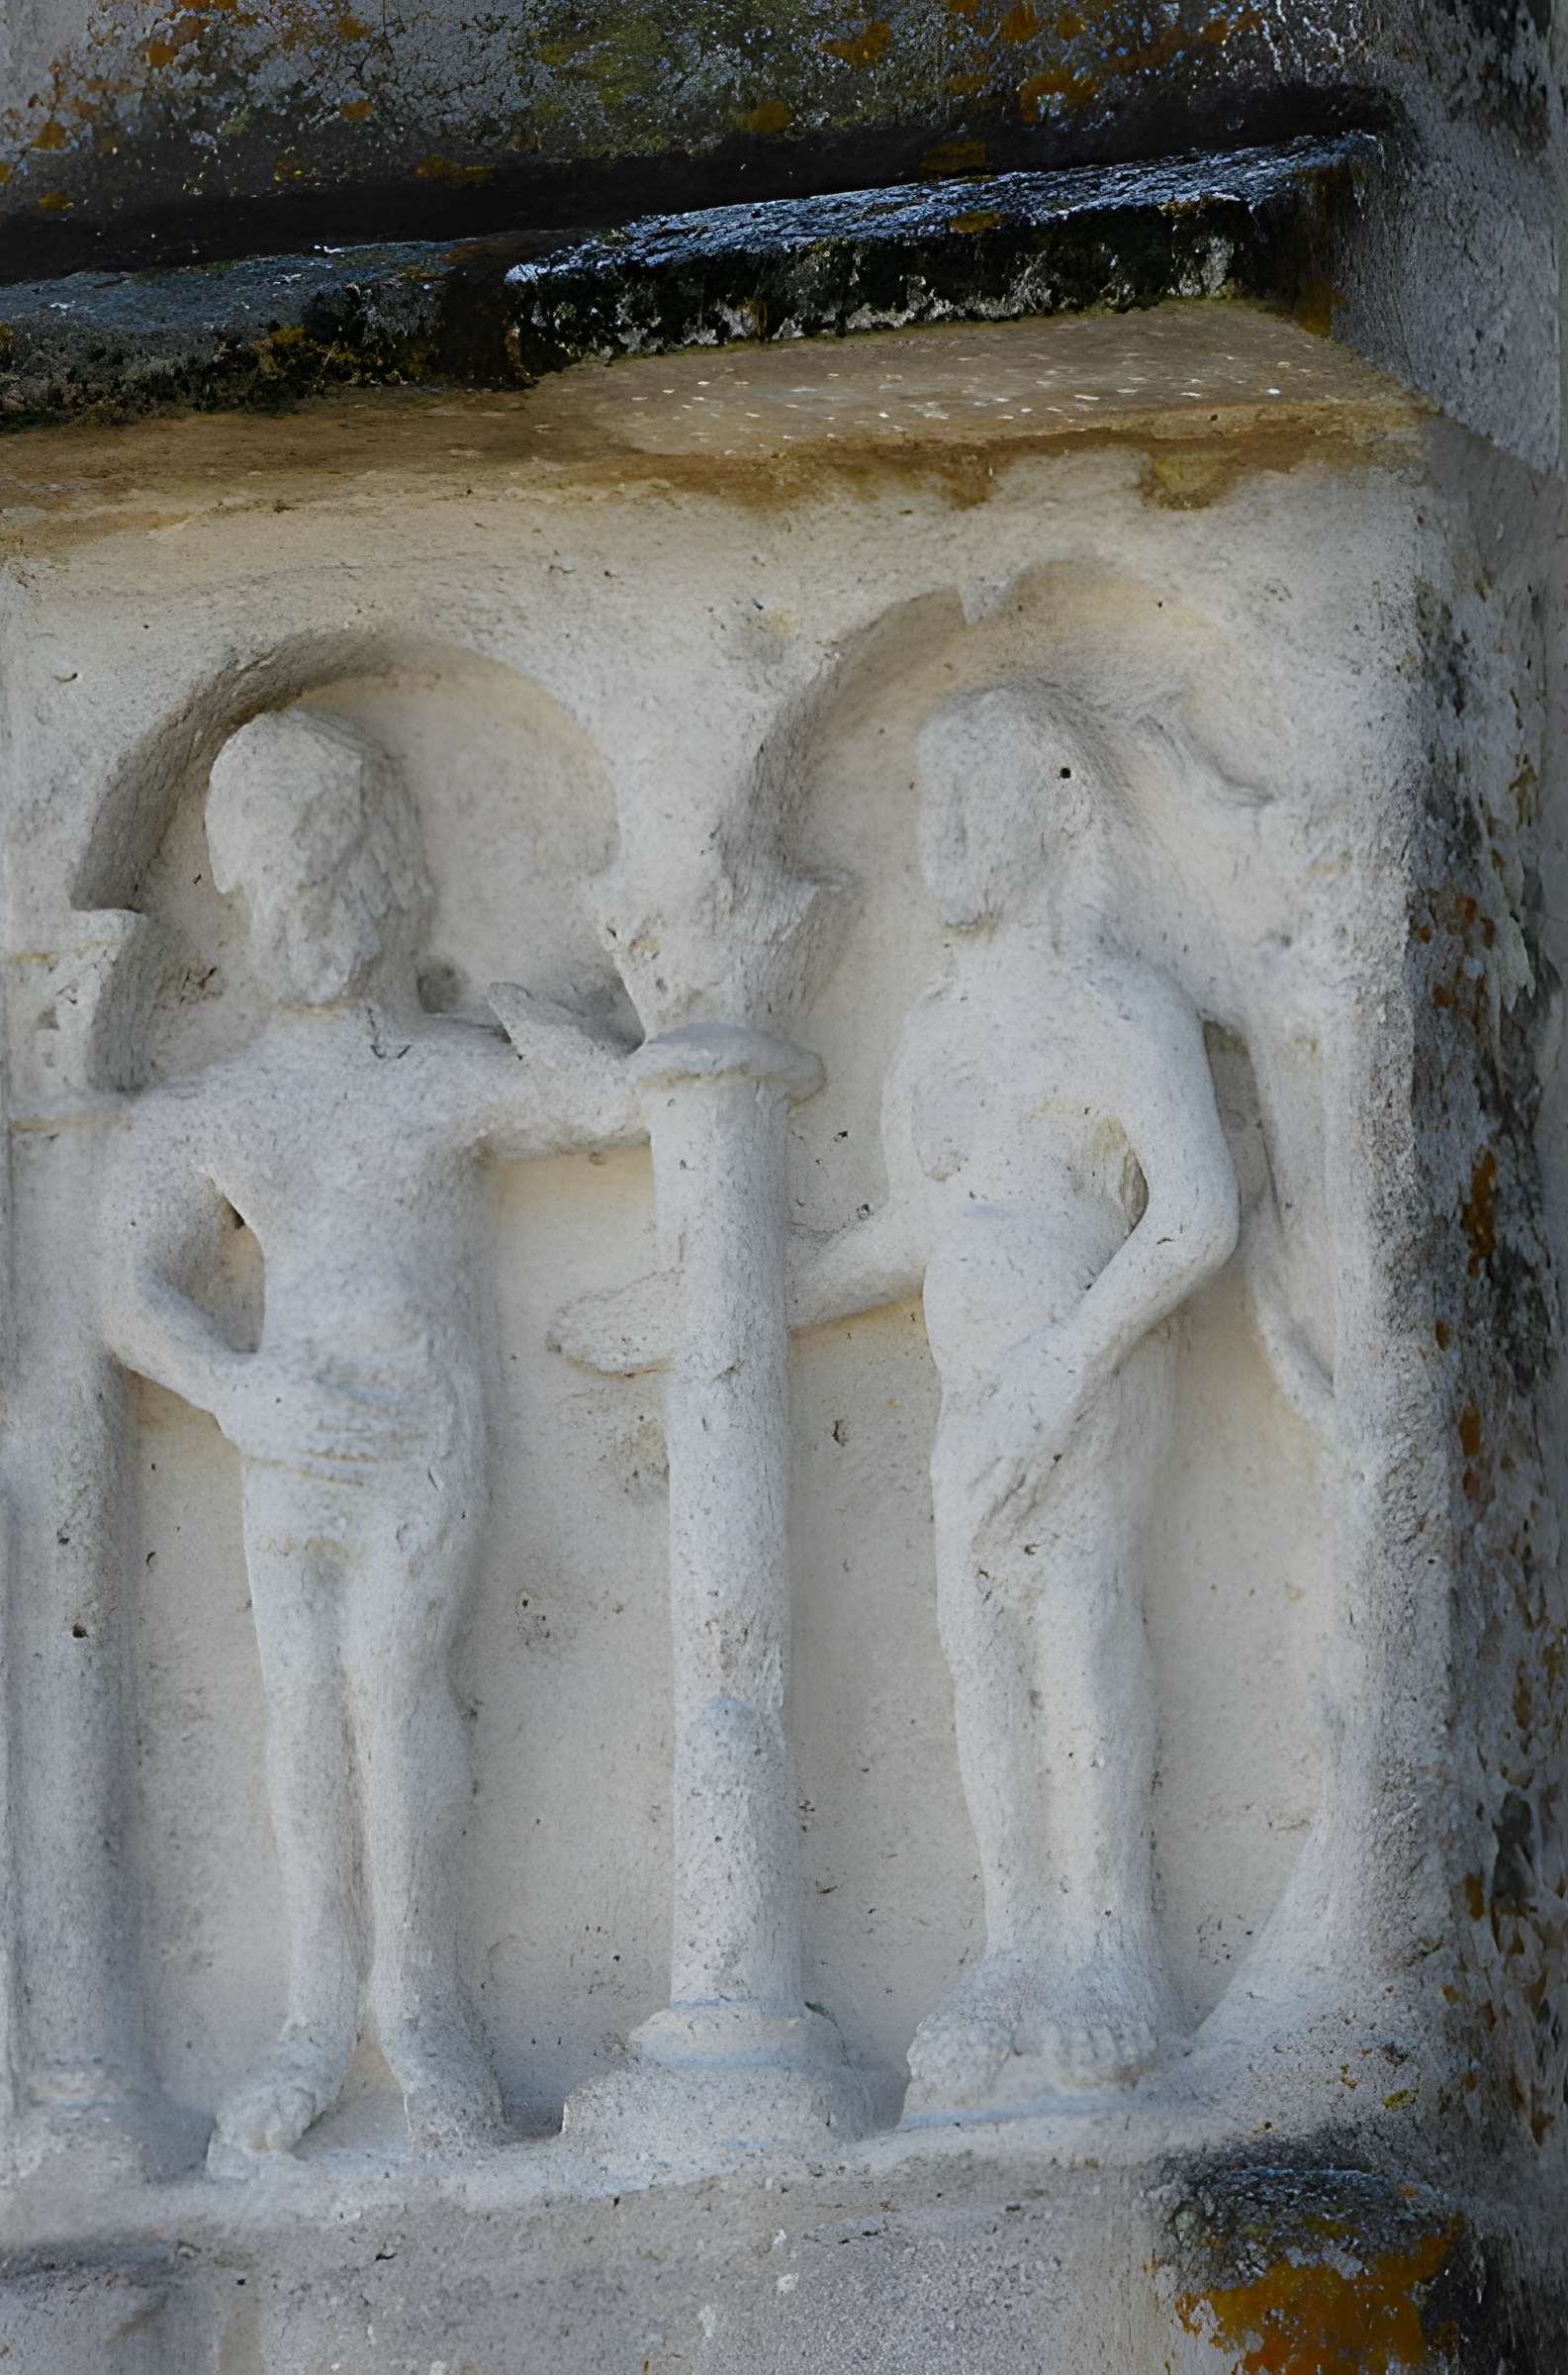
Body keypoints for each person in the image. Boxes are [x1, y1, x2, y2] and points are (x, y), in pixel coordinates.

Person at [572, 685, 1242, 2109]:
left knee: (1074, 1629)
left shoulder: (1116, 1007)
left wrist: (1066, 1365)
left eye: (970, 799)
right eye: (928, 802)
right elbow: (919, 1230)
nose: (937, 834)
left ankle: (1110, 1951)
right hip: (971, 1397)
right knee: (979, 1660)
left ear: (1057, 803)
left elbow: (1192, 1219)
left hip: (1082, 1375)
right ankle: (1014, 1944)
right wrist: (727, 1299)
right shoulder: (934, 1031)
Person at [100, 707, 636, 2169]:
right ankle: (314, 2020)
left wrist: (575, 1032)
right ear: (246, 904)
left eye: (332, 874)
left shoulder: (446, 1070)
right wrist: (239, 1393)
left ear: (388, 881)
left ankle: (421, 2016)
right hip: (293, 1435)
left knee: (391, 1695)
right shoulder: (223, 1107)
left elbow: (626, 1106)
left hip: (421, 1426)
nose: (308, 913)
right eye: (278, 885)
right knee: (299, 1714)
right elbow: (124, 1289)